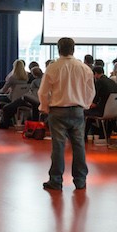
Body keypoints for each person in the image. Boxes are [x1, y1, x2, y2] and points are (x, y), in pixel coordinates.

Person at [38, 37, 95, 191]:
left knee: (58, 147)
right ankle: (80, 180)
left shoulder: (52, 68)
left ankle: (56, 180)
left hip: (57, 111)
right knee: (79, 146)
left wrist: (45, 107)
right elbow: (90, 91)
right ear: (73, 49)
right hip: (77, 110)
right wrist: (85, 105)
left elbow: (43, 92)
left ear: (58, 49)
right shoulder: (84, 68)